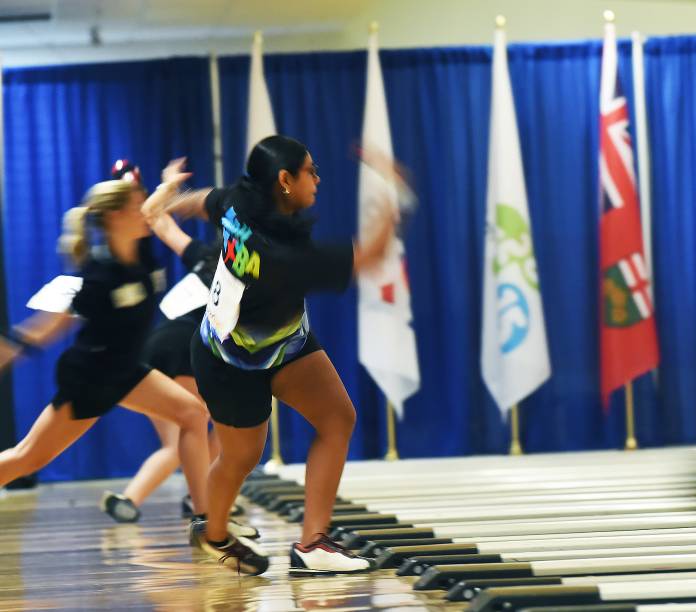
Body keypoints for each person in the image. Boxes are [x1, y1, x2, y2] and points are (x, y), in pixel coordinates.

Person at [147, 135, 400, 576]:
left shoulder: (238, 204)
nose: (318, 179)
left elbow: (208, 200)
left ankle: (312, 545)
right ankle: (215, 534)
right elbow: (373, 255)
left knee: (337, 417)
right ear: (285, 180)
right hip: (228, 362)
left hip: (285, 345)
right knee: (241, 458)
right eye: (311, 171)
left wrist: (173, 197)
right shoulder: (284, 256)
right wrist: (393, 193)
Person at [0, 167, 212, 533]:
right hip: (91, 378)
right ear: (115, 217)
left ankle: (208, 522)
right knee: (27, 457)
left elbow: (155, 211)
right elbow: (58, 322)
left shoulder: (142, 255)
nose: (144, 211)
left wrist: (167, 184)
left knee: (193, 414)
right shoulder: (100, 272)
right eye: (136, 206)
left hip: (128, 372)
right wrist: (15, 345)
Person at [98, 161, 248, 528]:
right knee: (205, 426)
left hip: (155, 345)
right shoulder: (252, 271)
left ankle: (134, 498)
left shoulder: (205, 257)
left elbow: (159, 220)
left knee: (183, 435)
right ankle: (204, 501)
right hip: (183, 350)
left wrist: (167, 189)